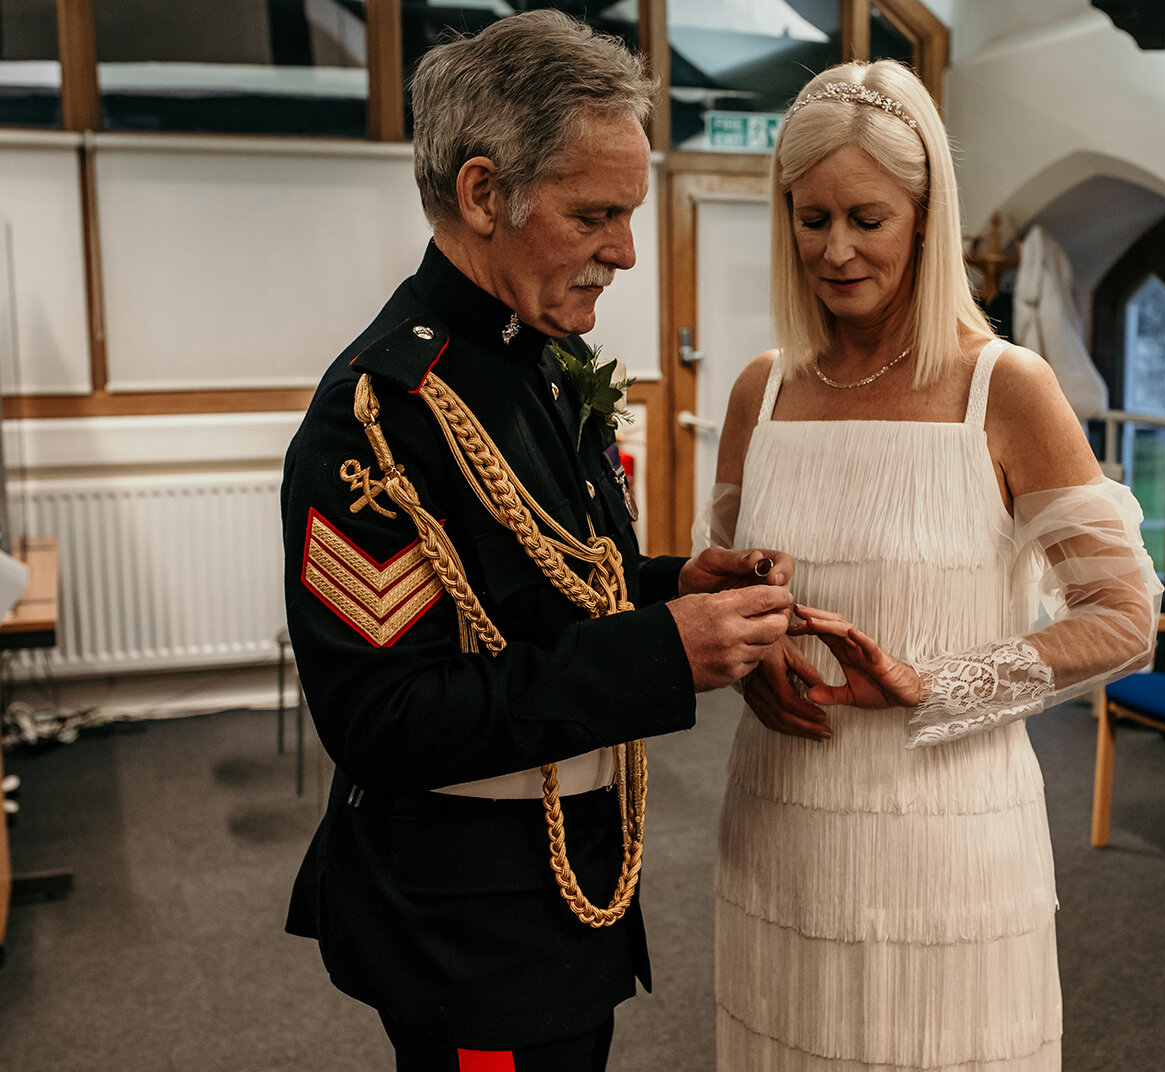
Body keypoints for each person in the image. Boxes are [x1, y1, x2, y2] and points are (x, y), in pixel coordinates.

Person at [280, 12, 795, 1071]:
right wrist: (664, 652)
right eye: (595, 214)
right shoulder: (379, 412)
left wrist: (669, 585)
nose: (626, 251)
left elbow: (548, 583)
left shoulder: (544, 362)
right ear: (482, 194)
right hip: (469, 925)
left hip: (559, 887)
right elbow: (386, 716)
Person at [706, 61, 1163, 1071]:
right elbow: (732, 577)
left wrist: (940, 681)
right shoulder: (760, 393)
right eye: (811, 217)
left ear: (924, 216)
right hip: (781, 814)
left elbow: (1125, 615)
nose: (835, 249)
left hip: (947, 828)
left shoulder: (1006, 389)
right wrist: (754, 650)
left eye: (866, 218)